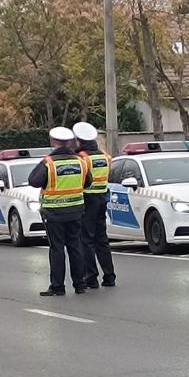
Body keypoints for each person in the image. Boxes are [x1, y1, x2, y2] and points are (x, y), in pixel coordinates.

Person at [28, 127, 92, 296]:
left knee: (57, 249)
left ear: (53, 142)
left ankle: (58, 286)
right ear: (70, 142)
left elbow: (33, 181)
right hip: (76, 211)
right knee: (75, 246)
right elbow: (88, 183)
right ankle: (79, 284)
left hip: (54, 213)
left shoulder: (48, 162)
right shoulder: (80, 161)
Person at [73, 122, 116, 288]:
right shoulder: (105, 156)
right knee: (102, 239)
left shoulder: (82, 158)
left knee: (87, 240)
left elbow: (82, 180)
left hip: (87, 200)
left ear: (79, 141)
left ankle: (91, 277)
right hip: (102, 198)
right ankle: (109, 276)